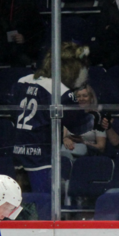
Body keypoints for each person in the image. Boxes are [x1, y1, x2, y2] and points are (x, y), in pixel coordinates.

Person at [12, 43, 89, 193]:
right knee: (44, 207)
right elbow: (81, 127)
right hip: (42, 160)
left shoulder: (22, 81)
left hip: (18, 153)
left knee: (21, 205)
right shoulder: (61, 92)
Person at [61, 85, 107, 160]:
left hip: (89, 156)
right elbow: (65, 136)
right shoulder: (70, 115)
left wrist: (83, 142)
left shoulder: (98, 117)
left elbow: (101, 147)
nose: (81, 99)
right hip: (68, 151)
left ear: (91, 98)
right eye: (78, 96)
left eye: (85, 96)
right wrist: (65, 139)